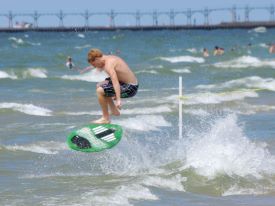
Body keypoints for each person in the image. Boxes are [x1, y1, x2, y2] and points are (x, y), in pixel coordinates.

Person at [86, 48, 138, 124]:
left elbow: (115, 82)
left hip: (130, 88)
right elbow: (118, 75)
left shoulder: (108, 65)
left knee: (100, 91)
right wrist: (106, 81)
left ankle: (105, 118)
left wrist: (118, 99)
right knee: (100, 85)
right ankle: (114, 111)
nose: (95, 67)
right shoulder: (109, 58)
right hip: (125, 83)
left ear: (97, 59)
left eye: (94, 65)